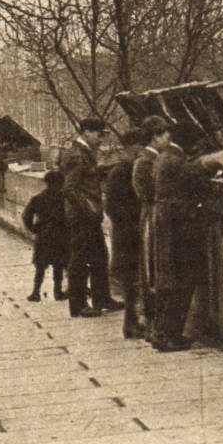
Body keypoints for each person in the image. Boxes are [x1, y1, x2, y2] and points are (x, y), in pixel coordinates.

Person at [146, 129, 223, 351]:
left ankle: (161, 333)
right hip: (179, 226)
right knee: (182, 280)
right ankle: (168, 336)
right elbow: (192, 174)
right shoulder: (175, 159)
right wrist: (219, 165)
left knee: (171, 280)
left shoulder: (164, 156)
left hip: (169, 224)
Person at [59, 117, 122, 318]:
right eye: (98, 134)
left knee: (99, 257)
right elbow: (69, 188)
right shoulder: (77, 155)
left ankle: (101, 298)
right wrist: (90, 208)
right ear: (85, 132)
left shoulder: (83, 153)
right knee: (80, 260)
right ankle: (78, 304)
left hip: (88, 216)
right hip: (82, 217)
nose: (100, 139)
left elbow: (86, 178)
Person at [105, 127, 148, 340]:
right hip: (127, 233)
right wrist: (134, 221)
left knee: (132, 282)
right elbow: (113, 207)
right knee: (132, 282)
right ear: (132, 147)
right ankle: (131, 326)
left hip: (125, 232)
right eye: (139, 147)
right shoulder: (122, 171)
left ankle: (132, 324)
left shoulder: (120, 169)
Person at [132, 115, 171, 342]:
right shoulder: (146, 162)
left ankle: (153, 325)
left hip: (152, 217)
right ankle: (154, 326)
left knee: (152, 270)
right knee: (153, 271)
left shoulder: (147, 159)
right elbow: (148, 194)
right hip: (153, 220)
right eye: (166, 136)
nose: (168, 140)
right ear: (155, 137)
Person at [22, 169, 69, 302]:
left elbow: (26, 216)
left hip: (44, 236)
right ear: (61, 183)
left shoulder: (38, 198)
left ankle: (36, 292)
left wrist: (34, 229)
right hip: (61, 236)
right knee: (59, 266)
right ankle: (58, 292)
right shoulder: (64, 199)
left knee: (40, 266)